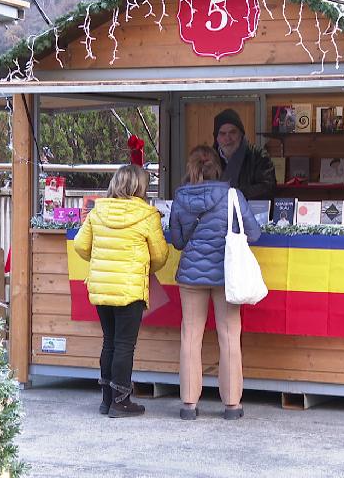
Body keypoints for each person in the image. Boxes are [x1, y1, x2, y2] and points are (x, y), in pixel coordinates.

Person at [169, 145, 262, 420]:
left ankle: (188, 404)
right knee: (230, 336)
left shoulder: (180, 197)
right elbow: (253, 234)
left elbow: (177, 241)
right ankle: (232, 405)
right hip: (225, 275)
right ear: (218, 167)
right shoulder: (233, 196)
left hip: (191, 276)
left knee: (190, 337)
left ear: (191, 167)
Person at [73, 164, 168, 418]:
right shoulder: (147, 216)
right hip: (130, 289)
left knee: (109, 342)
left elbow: (81, 247)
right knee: (125, 345)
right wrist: (142, 263)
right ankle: (121, 401)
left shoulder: (97, 211)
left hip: (101, 288)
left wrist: (102, 258)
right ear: (140, 187)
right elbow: (160, 256)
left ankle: (106, 400)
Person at [213, 108, 276, 200]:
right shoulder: (208, 159)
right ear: (216, 137)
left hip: (251, 212)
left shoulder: (259, 156)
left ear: (241, 134)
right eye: (222, 133)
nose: (228, 138)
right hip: (215, 214)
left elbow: (268, 188)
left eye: (232, 132)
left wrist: (234, 194)